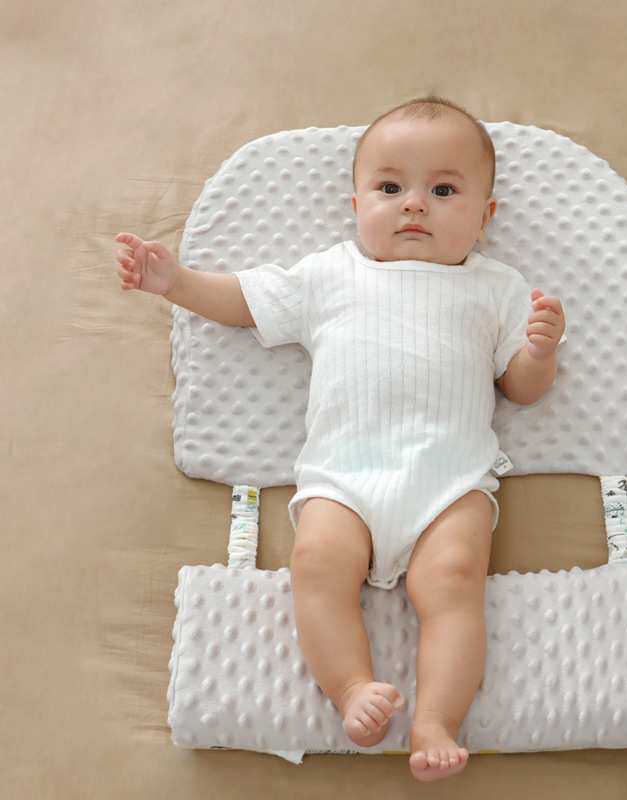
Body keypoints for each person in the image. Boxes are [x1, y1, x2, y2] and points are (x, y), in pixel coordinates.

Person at [114, 95, 565, 782]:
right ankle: (352, 686)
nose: (414, 205)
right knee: (317, 564)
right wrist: (175, 281)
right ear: (356, 205)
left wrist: (539, 351)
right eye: (390, 188)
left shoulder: (497, 288)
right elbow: (244, 301)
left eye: (444, 191)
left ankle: (436, 720)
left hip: (449, 482)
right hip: (344, 478)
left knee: (454, 582)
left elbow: (522, 388)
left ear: (486, 217)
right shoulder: (330, 274)